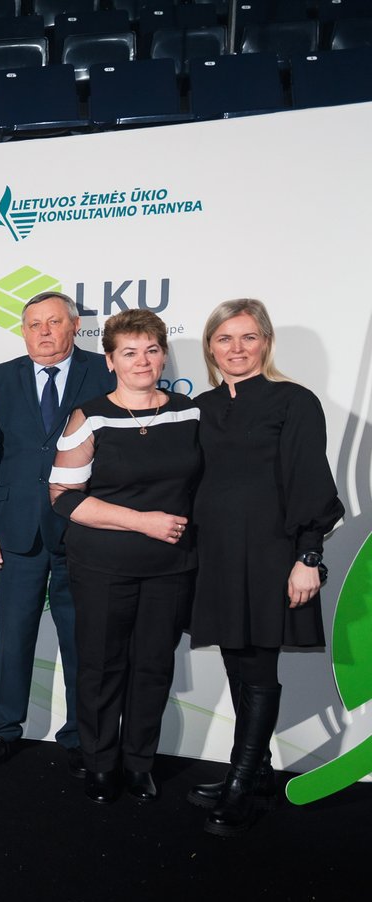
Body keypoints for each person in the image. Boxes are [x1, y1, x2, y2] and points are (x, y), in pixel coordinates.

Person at [187, 299, 343, 836]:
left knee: (256, 667)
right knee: (236, 659)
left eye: (248, 337)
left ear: (266, 343)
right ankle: (252, 774)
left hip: (271, 556)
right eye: (225, 338)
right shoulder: (201, 406)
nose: (237, 348)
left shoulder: (293, 401)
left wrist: (309, 556)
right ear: (210, 347)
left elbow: (310, 481)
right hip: (215, 555)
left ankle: (242, 783)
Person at [49, 309, 201, 804]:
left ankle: (139, 763)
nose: (142, 361)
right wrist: (142, 521)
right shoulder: (90, 416)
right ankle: (99, 763)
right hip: (102, 566)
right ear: (110, 360)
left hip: (170, 567)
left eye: (152, 350)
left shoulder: (189, 413)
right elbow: (63, 497)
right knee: (101, 666)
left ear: (164, 355)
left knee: (154, 667)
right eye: (129, 352)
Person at [0, 291, 113, 775]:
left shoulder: (106, 372)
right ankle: (1, 730)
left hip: (85, 529)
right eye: (34, 324)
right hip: (16, 529)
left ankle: (83, 737)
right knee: (12, 636)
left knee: (83, 640)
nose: (44, 332)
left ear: (75, 325)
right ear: (23, 331)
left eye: (54, 322)